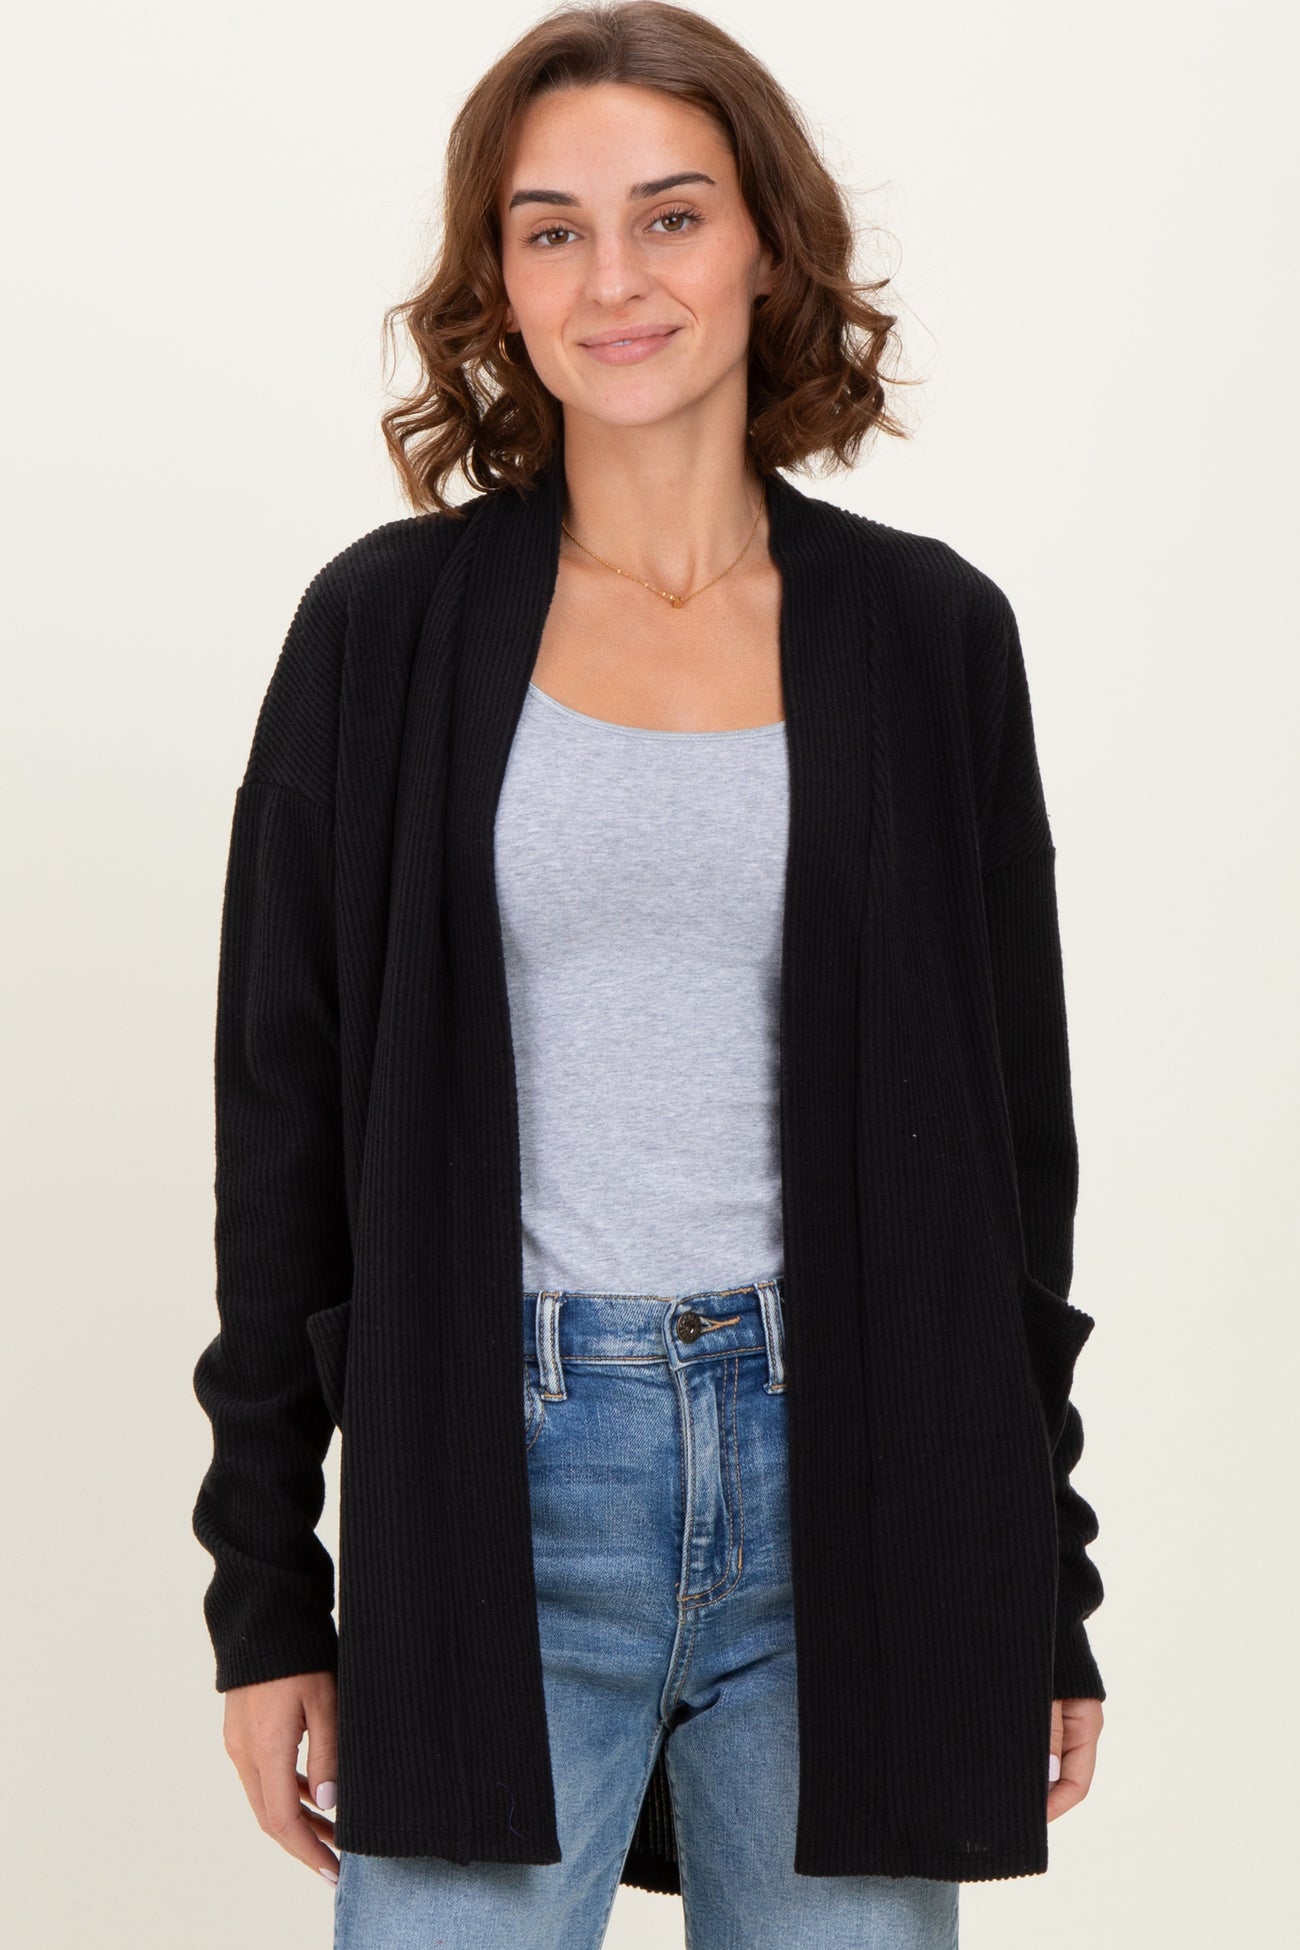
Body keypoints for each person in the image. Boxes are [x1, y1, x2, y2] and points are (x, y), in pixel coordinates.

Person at [191, 5, 1106, 1945]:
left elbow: (1009, 1159)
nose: (612, 279)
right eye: (551, 230)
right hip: (500, 1483)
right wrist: (265, 1592)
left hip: (860, 1488)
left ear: (765, 243)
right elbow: (282, 1128)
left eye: (669, 216)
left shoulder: (930, 640)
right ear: (499, 279)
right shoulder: (384, 633)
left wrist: (1046, 1585)